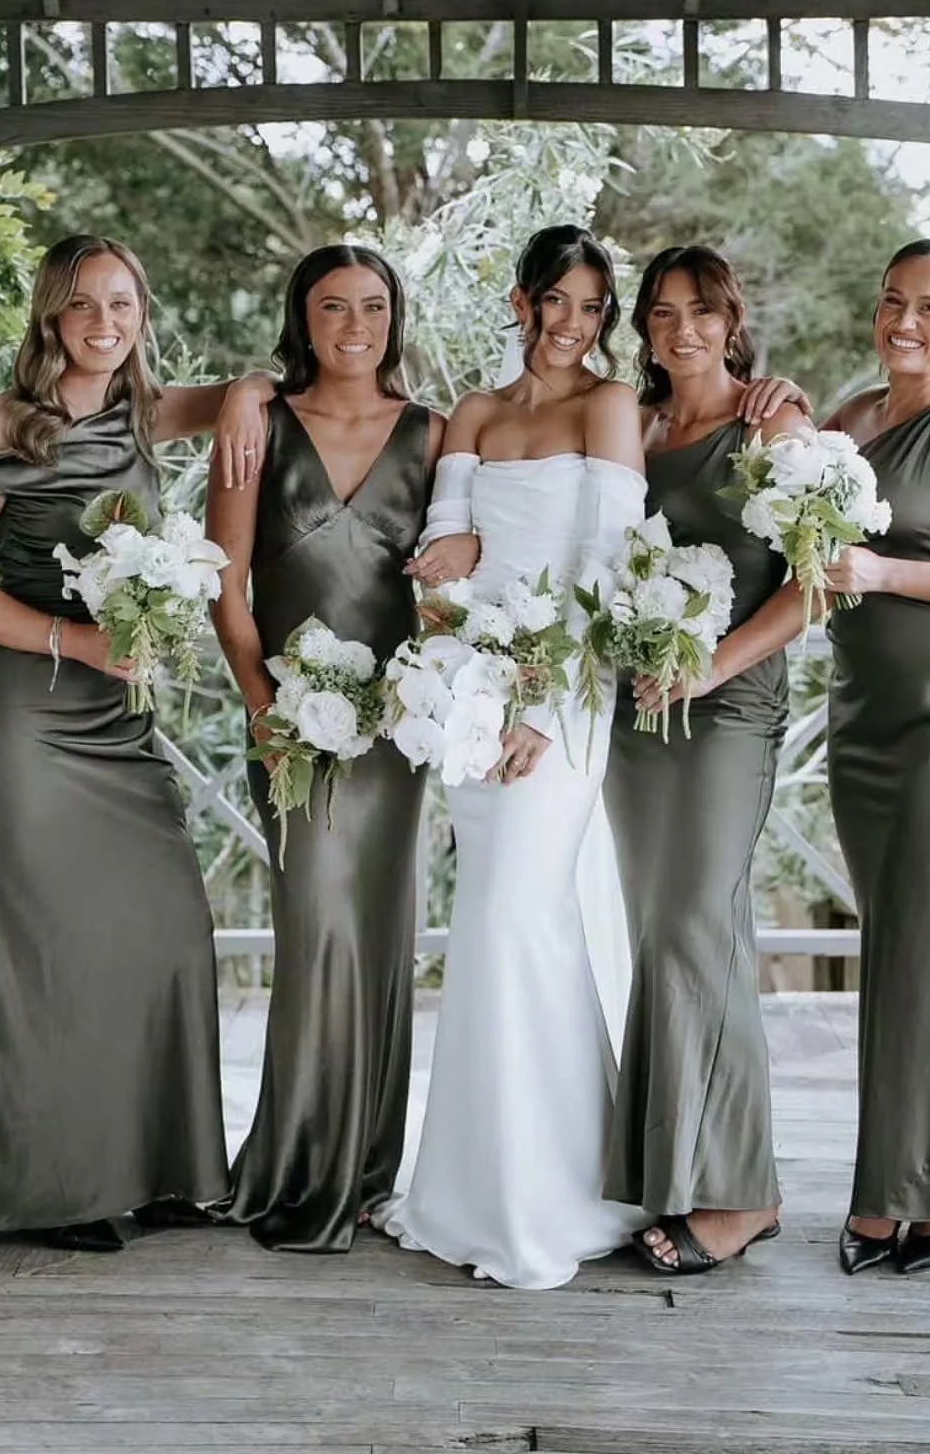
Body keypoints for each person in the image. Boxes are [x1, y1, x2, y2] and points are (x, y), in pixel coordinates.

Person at [708, 238, 930, 1276]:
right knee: (903, 951)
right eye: (892, 301)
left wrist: (885, 571)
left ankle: (925, 1191)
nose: (905, 321)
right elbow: (791, 511)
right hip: (866, 717)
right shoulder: (855, 420)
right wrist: (769, 403)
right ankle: (904, 1174)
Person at [0, 232, 246, 1251]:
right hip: (24, 715)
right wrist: (77, 639)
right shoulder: (3, 421)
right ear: (51, 315)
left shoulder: (150, 410)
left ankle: (169, 1170)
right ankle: (63, 1186)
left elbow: (247, 390)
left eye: (124, 306)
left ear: (143, 314)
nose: (105, 325)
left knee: (167, 929)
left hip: (117, 718)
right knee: (47, 957)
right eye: (85, 307)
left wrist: (253, 393)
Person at [373, 224, 648, 1289]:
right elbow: (440, 569)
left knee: (521, 921)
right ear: (521, 301)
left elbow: (609, 564)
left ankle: (557, 1193)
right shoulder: (476, 416)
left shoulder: (608, 407)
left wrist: (544, 702)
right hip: (478, 696)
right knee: (490, 927)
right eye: (555, 301)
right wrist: (456, 684)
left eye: (591, 308)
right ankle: (475, 1188)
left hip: (567, 700)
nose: (571, 325)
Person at [206, 247, 448, 1251]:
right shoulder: (259, 423)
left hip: (397, 729)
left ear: (397, 317)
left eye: (376, 305)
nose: (357, 323)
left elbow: (457, 573)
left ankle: (369, 1171)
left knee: (382, 934)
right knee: (317, 928)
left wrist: (433, 688)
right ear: (302, 320)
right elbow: (226, 587)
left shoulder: (437, 433)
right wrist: (267, 709)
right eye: (334, 306)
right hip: (291, 725)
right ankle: (303, 1164)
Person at [606, 246, 811, 1276]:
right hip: (636, 714)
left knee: (697, 920)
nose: (681, 331)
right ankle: (684, 1170)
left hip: (729, 709)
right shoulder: (637, 431)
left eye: (701, 312)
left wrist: (710, 667)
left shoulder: (771, 422)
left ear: (732, 321)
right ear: (643, 328)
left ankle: (745, 1195)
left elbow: (814, 585)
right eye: (661, 314)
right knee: (670, 932)